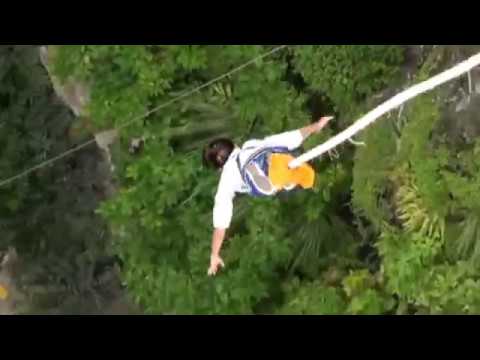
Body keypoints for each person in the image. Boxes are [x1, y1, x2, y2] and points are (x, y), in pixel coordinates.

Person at [203, 116, 333, 276]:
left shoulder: (226, 179)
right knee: (298, 172)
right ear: (234, 145)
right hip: (274, 161)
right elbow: (288, 138)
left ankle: (275, 174)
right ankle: (275, 168)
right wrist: (316, 126)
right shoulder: (250, 145)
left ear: (219, 169)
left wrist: (214, 254)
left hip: (269, 181)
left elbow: (221, 221)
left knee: (288, 181)